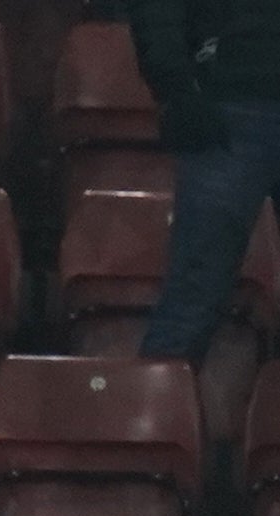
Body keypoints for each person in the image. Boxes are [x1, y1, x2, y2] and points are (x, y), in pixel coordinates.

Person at [127, 0, 280, 365]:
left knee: (192, 298)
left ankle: (157, 413)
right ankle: (160, 412)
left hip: (229, 103)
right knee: (193, 296)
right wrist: (178, 91)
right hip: (230, 103)